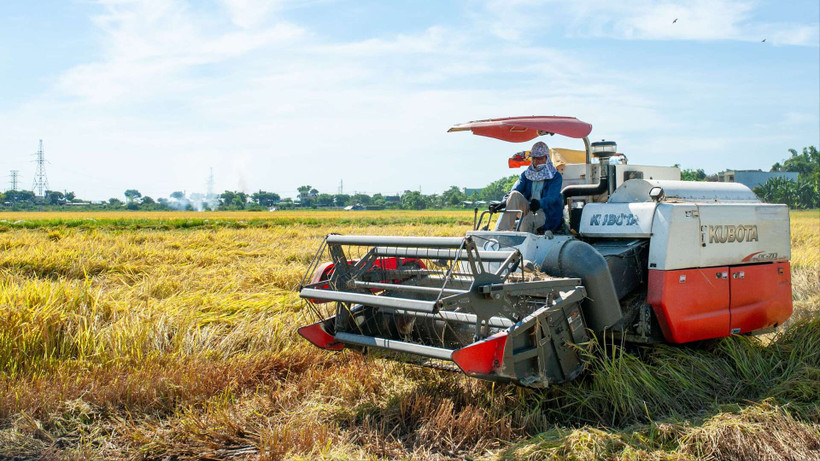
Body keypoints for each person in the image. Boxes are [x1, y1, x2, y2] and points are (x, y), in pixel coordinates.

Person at [491, 141, 563, 233]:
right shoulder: (526, 175)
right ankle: (501, 232)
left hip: (545, 211)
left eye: (539, 159)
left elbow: (552, 198)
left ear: (546, 158)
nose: (536, 161)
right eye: (534, 158)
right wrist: (502, 203)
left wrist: (539, 203)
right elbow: (515, 190)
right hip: (528, 209)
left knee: (527, 222)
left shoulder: (555, 176)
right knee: (514, 195)